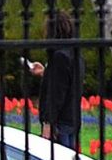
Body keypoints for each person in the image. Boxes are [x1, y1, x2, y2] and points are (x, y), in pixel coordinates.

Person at [31, 10, 82, 147]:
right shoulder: (74, 53)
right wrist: (46, 72)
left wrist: (48, 122)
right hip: (72, 118)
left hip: (61, 122)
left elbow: (57, 94)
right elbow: (68, 83)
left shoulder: (59, 57)